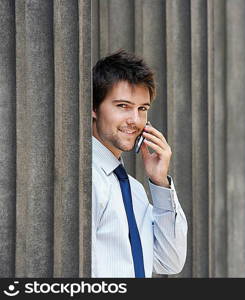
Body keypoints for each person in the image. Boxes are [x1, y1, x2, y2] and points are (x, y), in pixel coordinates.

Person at [91, 50, 187, 277]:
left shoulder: (135, 191)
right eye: (123, 106)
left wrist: (160, 182)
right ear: (94, 109)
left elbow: (169, 262)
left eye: (142, 108)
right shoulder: (87, 180)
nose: (134, 120)